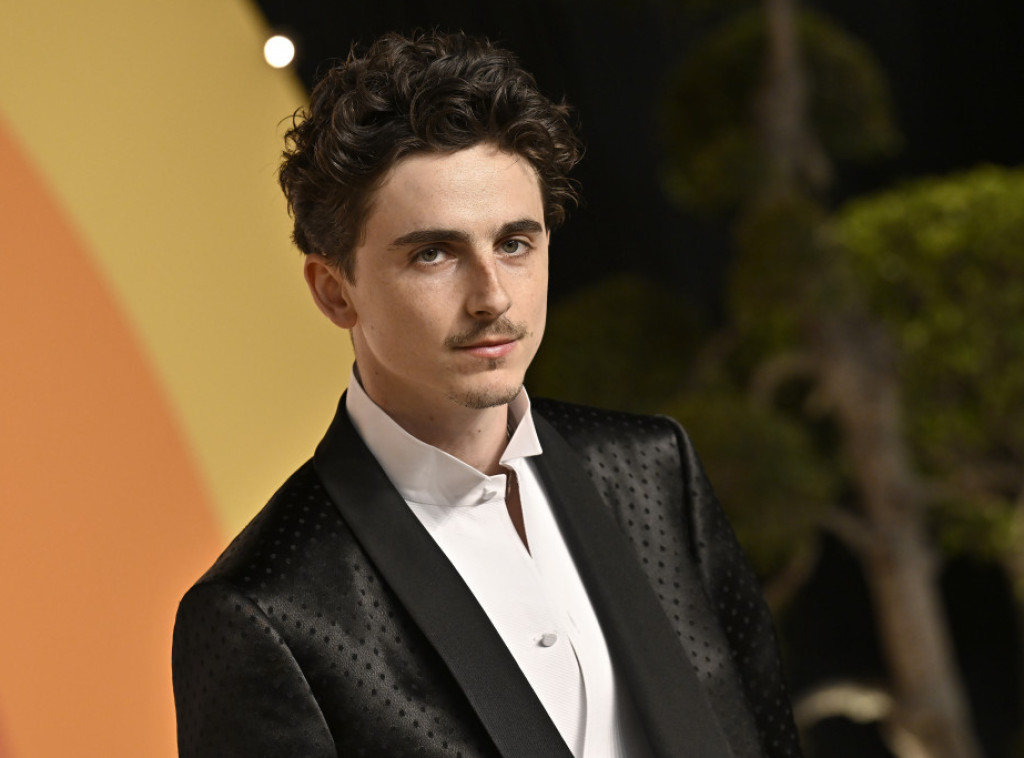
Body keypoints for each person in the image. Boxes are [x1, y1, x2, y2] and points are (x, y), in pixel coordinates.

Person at [172, 30, 802, 758]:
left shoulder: (655, 470)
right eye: (433, 253)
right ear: (334, 291)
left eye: (514, 243)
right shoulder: (265, 611)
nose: (492, 297)